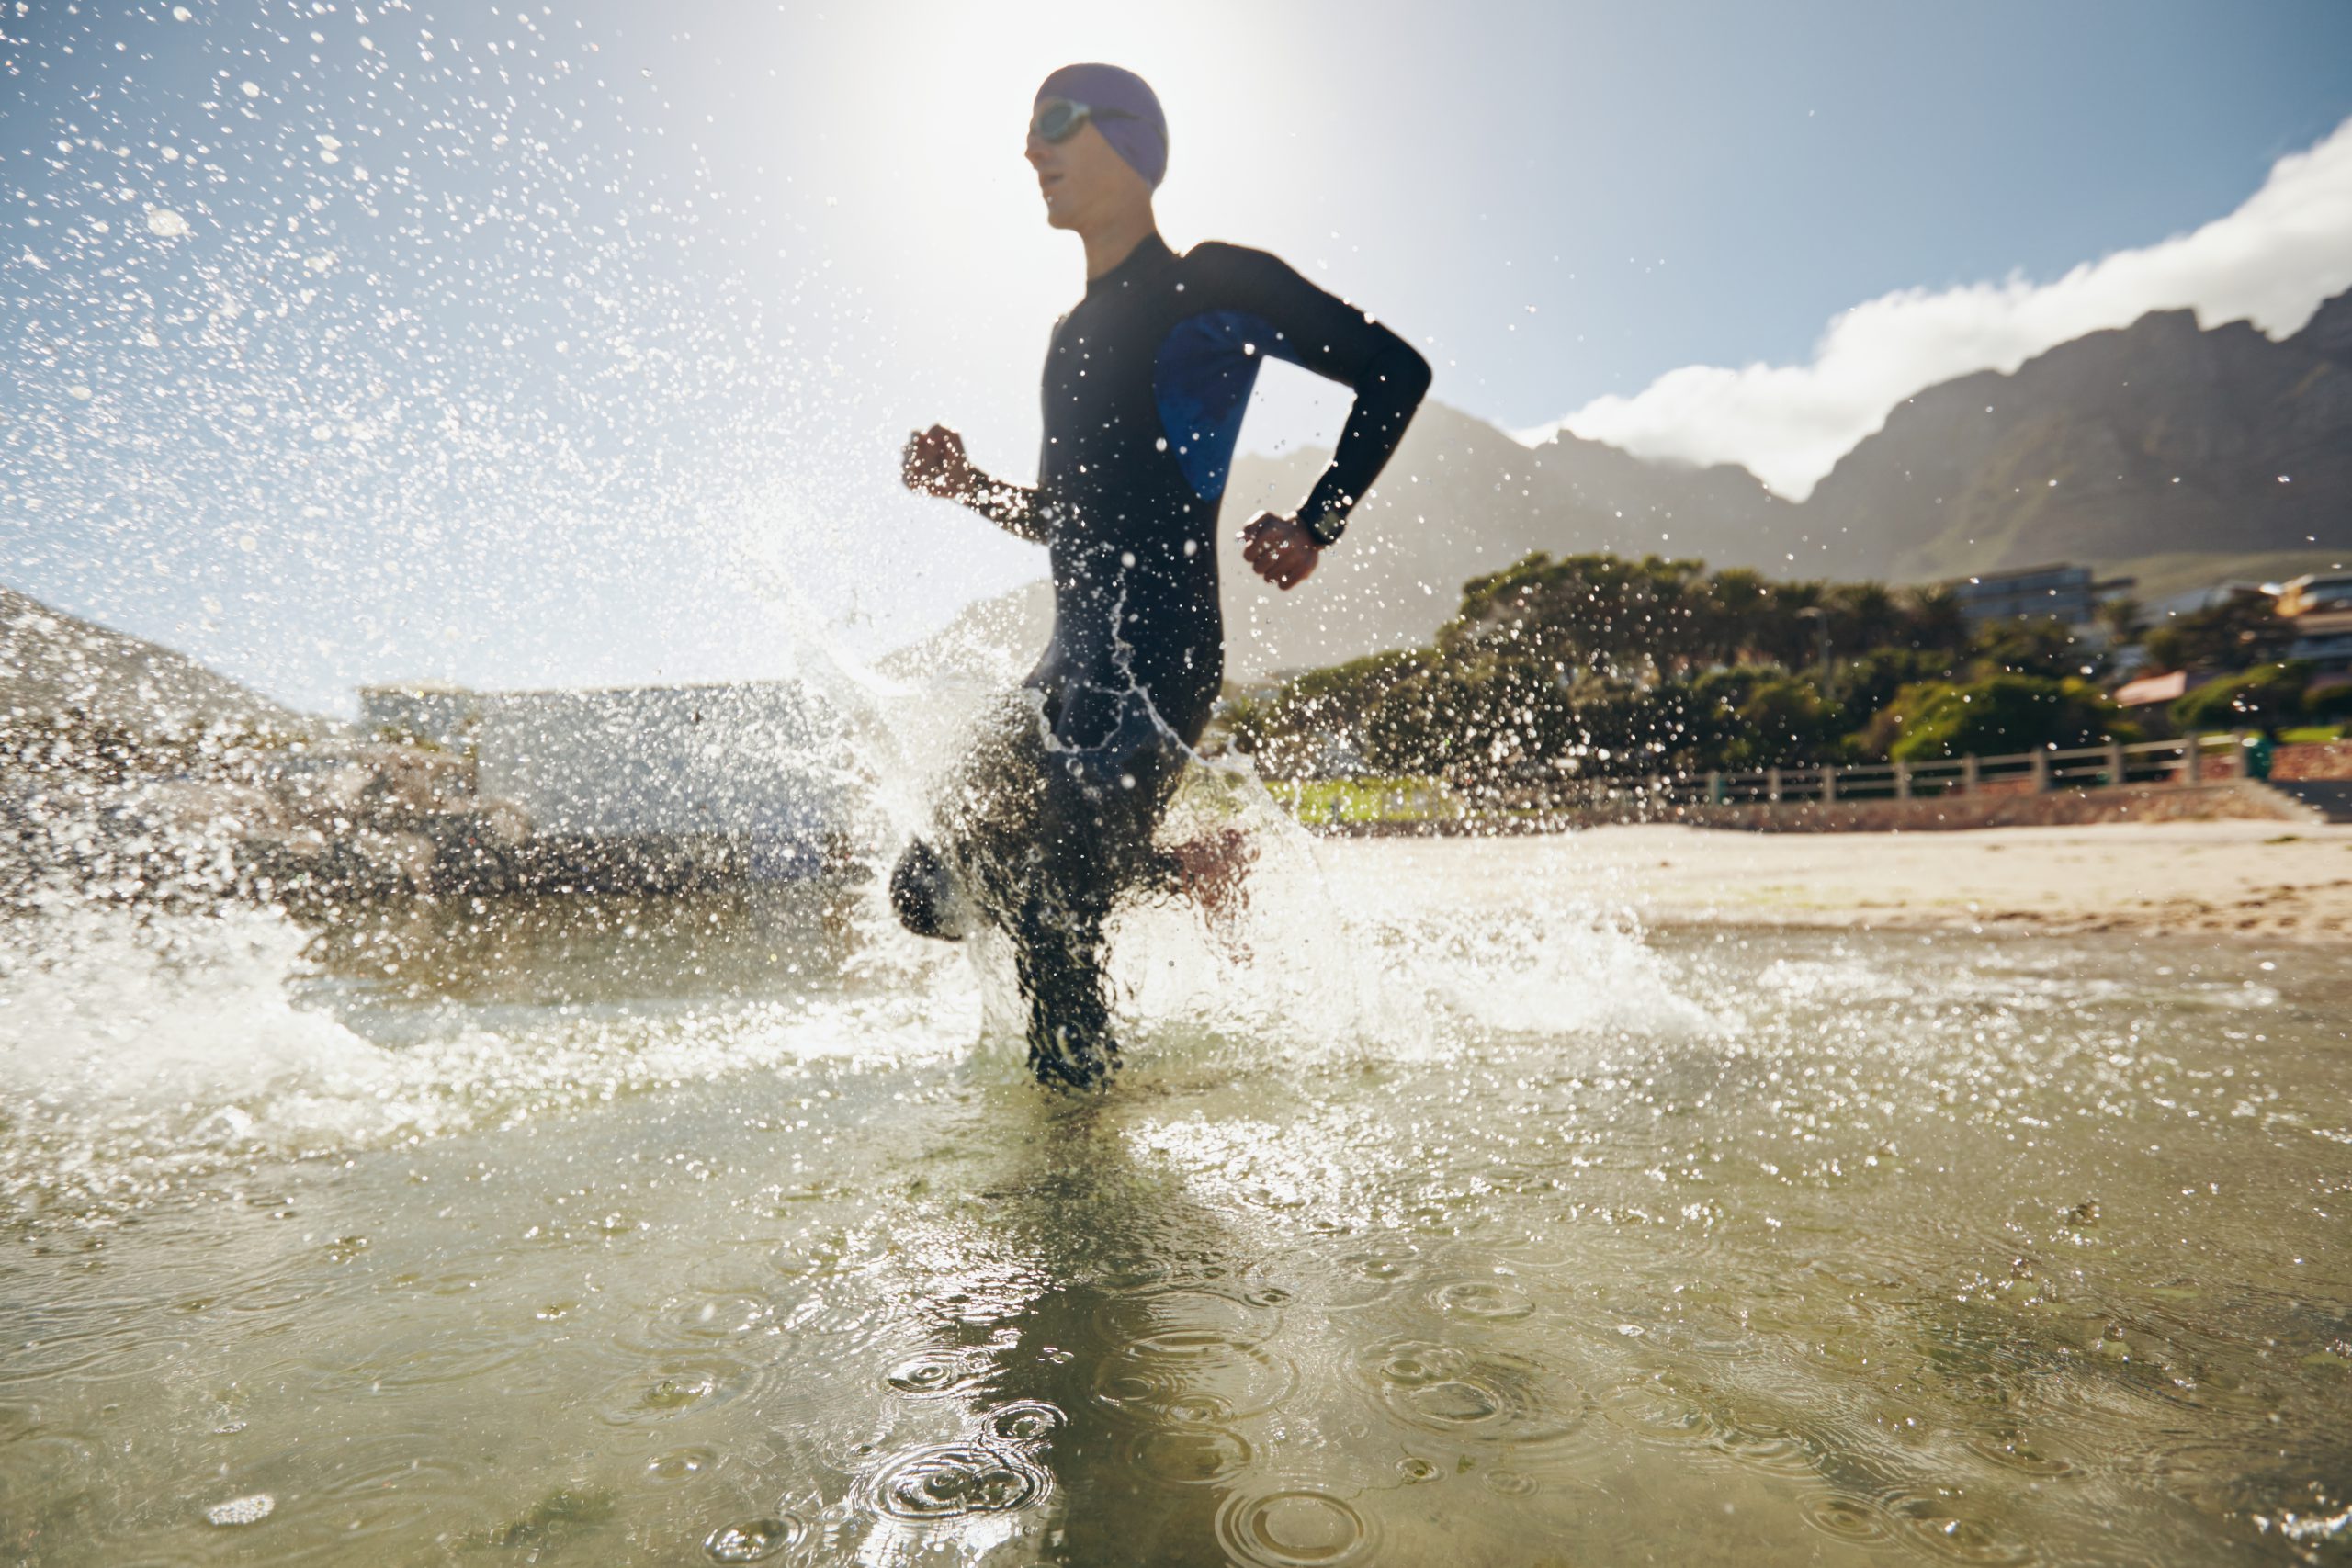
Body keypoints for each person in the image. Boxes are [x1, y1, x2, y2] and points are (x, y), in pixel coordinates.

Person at [893, 62, 1430, 1089]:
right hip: (1061, 668)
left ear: (1130, 144)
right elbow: (1064, 520)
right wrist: (967, 488)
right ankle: (1183, 871)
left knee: (1057, 916)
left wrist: (1321, 519)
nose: (1030, 150)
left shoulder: (1208, 286)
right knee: (927, 888)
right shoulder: (1065, 338)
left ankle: (1085, 1204)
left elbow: (1393, 372)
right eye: (1030, 129)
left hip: (1158, 661)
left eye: (1055, 122)